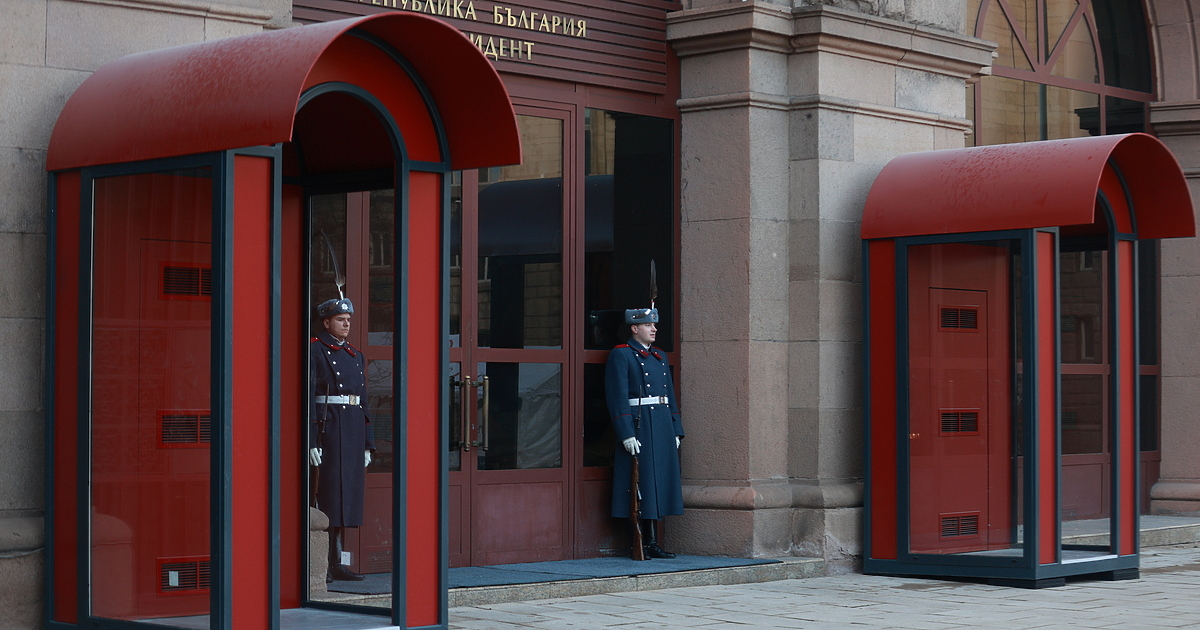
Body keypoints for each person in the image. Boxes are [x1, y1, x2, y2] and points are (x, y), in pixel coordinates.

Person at [606, 307, 684, 559]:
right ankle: (640, 541)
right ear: (634, 328)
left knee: (658, 481)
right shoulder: (622, 355)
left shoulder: (659, 356)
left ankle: (653, 541)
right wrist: (626, 433)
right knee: (640, 484)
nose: (654, 329)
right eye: (649, 325)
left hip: (660, 424)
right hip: (639, 425)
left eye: (654, 325)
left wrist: (675, 429)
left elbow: (670, 396)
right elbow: (617, 397)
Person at [309, 297, 374, 582]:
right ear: (326, 322)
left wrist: (367, 442)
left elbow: (364, 403)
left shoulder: (354, 355)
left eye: (349, 319)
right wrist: (311, 440)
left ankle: (337, 562)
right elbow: (308, 398)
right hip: (329, 426)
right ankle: (321, 563)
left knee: (346, 496)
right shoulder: (316, 350)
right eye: (340, 319)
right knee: (327, 494)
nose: (347, 323)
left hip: (351, 428)